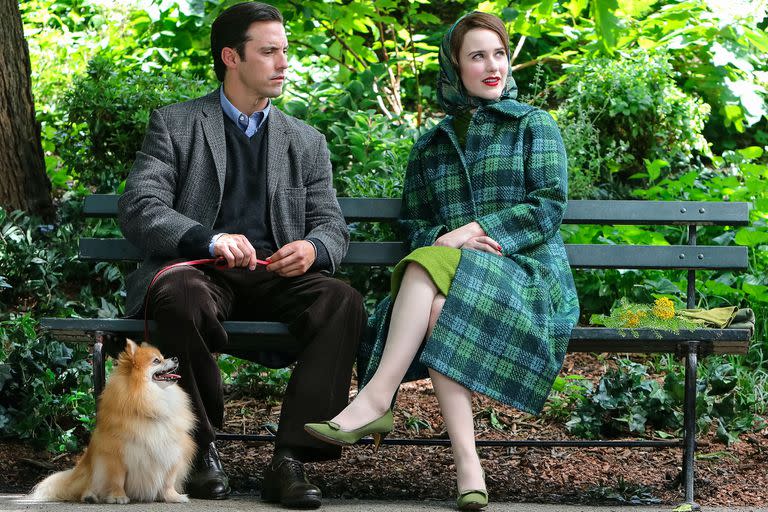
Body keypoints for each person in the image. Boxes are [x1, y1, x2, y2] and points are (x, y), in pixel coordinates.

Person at [304, 11, 579, 511]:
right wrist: (444, 240)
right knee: (435, 304)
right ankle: (468, 471)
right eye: (477, 56)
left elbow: (547, 206)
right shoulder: (430, 146)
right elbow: (412, 224)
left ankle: (375, 399)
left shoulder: (533, 125)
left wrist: (472, 232)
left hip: (526, 275)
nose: (492, 66)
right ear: (454, 66)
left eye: (498, 54)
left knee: (423, 265)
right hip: (451, 276)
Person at [118, 2, 365, 509]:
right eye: (268, 51)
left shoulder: (306, 141)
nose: (282, 63)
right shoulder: (176, 124)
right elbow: (140, 207)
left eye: (285, 51)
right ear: (231, 56)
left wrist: (314, 249)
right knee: (178, 295)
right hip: (203, 272)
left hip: (276, 276)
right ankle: (200, 448)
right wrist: (208, 240)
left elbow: (331, 225)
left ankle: (290, 461)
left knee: (342, 301)